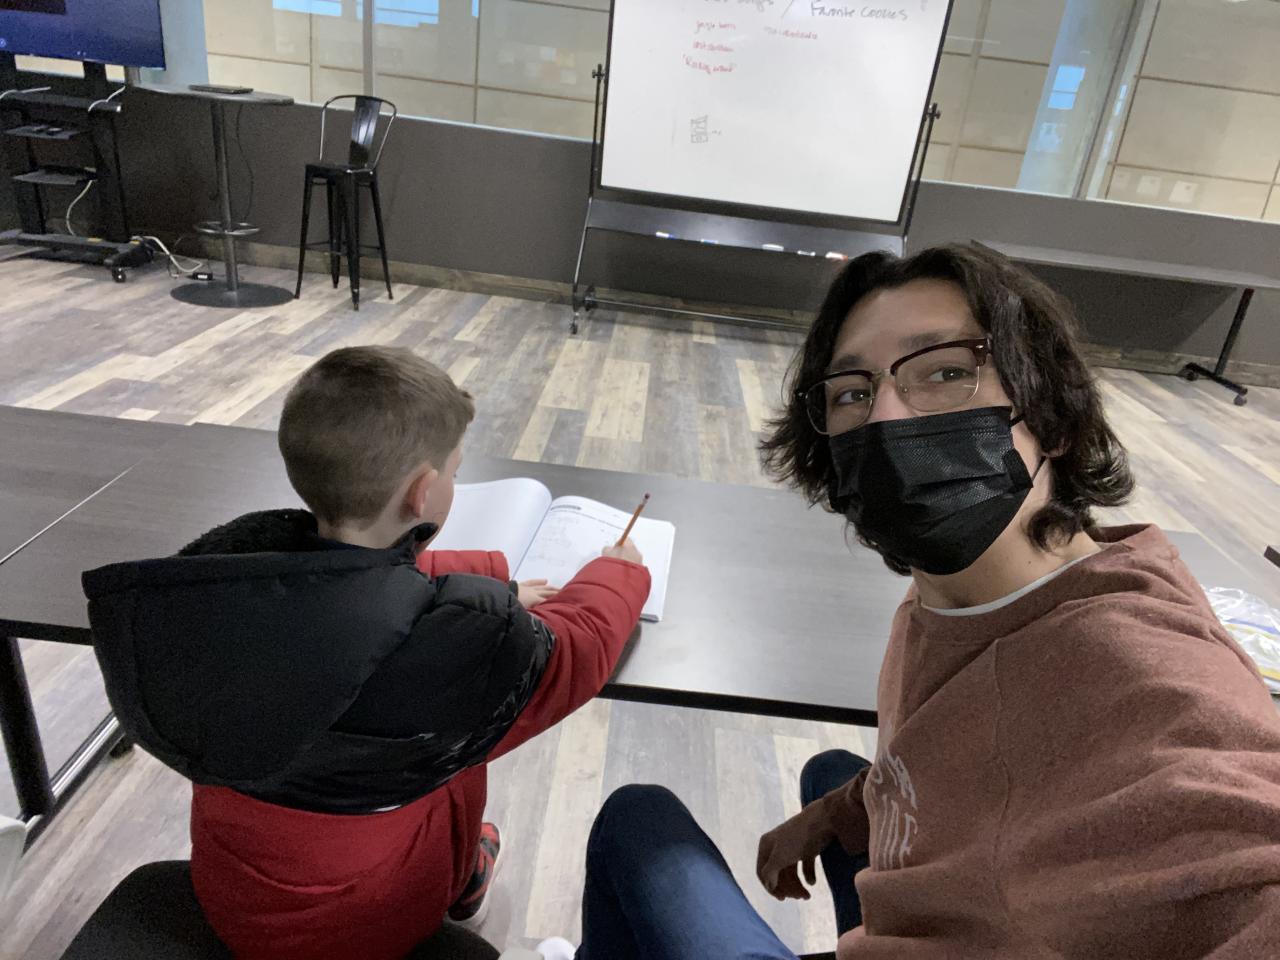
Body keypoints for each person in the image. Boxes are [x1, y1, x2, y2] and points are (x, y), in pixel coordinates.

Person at [548, 243, 1280, 960]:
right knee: (834, 772)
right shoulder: (957, 593)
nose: (887, 421)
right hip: (938, 895)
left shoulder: (1149, 684)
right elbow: (954, 751)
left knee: (634, 822)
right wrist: (833, 815)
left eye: (947, 372)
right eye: (852, 392)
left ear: (1052, 418)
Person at [82, 345, 651, 960]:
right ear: (424, 492)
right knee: (460, 747)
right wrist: (616, 572)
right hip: (369, 929)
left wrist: (493, 581)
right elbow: (579, 648)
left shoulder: (214, 584)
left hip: (231, 900)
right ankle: (464, 880)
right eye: (455, 472)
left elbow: (345, 584)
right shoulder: (454, 651)